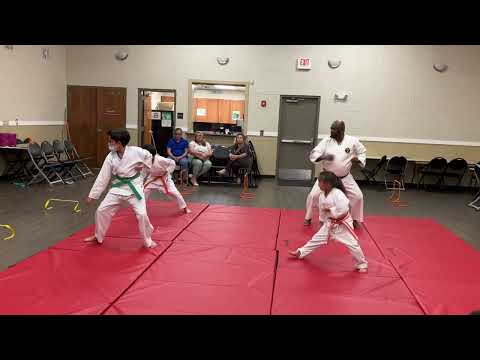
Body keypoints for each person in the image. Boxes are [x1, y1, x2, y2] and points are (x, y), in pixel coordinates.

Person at [83, 128, 157, 249]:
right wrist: (92, 195)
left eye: (111, 141)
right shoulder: (110, 157)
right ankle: (98, 236)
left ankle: (148, 240)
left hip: (134, 187)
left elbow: (149, 156)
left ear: (120, 143)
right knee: (101, 210)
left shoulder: (137, 152)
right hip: (118, 187)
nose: (109, 144)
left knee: (142, 214)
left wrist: (143, 167)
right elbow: (103, 176)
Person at [289, 171, 368, 272]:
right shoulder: (322, 195)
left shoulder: (338, 194)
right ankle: (301, 252)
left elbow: (344, 209)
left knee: (352, 244)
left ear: (328, 184)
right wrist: (322, 221)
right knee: (316, 239)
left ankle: (362, 264)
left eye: (320, 182)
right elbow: (322, 211)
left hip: (342, 224)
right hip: (330, 223)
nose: (318, 185)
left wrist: (330, 210)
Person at [304, 120, 366, 229]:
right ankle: (308, 217)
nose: (331, 131)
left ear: (341, 131)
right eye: (331, 128)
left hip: (345, 177)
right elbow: (315, 153)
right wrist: (323, 156)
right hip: (327, 177)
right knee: (313, 196)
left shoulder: (352, 141)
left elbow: (362, 151)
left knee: (358, 196)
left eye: (334, 129)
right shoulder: (326, 141)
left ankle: (356, 219)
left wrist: (359, 160)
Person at [142, 144, 191, 214]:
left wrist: (167, 171)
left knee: (174, 193)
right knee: (144, 192)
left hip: (164, 178)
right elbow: (143, 172)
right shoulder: (144, 161)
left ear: (152, 155)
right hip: (152, 179)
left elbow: (172, 163)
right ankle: (141, 208)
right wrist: (140, 181)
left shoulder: (160, 159)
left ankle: (185, 207)